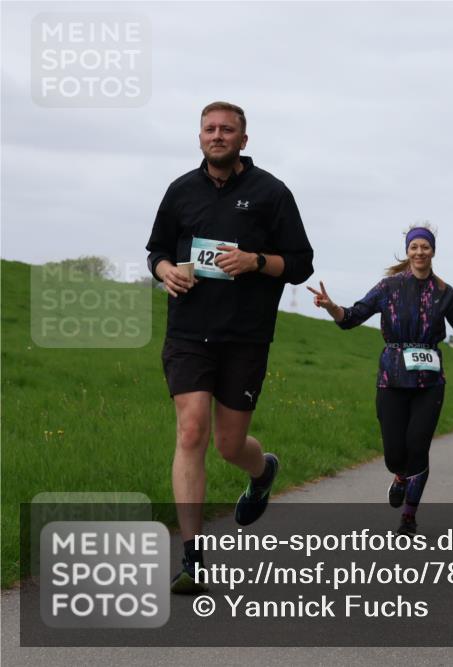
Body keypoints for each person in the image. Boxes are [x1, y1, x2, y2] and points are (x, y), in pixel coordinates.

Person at [145, 101, 314, 593]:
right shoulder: (181, 191)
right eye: (209, 129)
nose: (217, 136)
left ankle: (263, 472)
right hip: (188, 333)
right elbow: (155, 249)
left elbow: (300, 263)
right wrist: (164, 271)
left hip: (245, 335)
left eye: (227, 130)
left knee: (228, 445)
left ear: (243, 139)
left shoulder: (272, 193)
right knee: (192, 431)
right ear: (200, 137)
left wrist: (256, 260)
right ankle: (193, 558)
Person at [308, 224, 453, 535]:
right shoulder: (388, 287)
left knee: (418, 444)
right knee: (395, 454)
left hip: (429, 383)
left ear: (433, 251)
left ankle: (409, 514)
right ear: (408, 252)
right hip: (391, 378)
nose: (420, 252)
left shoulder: (445, 293)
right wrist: (331, 307)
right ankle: (399, 476)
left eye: (425, 247)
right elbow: (352, 317)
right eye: (414, 247)